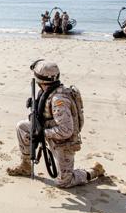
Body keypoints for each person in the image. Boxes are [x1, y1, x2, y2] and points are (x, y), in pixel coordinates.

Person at [6, 60, 104, 188]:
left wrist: (42, 134)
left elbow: (66, 130)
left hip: (63, 141)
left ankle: (94, 171)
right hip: (48, 129)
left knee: (64, 181)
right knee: (22, 127)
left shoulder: (59, 100)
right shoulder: (46, 91)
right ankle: (25, 165)